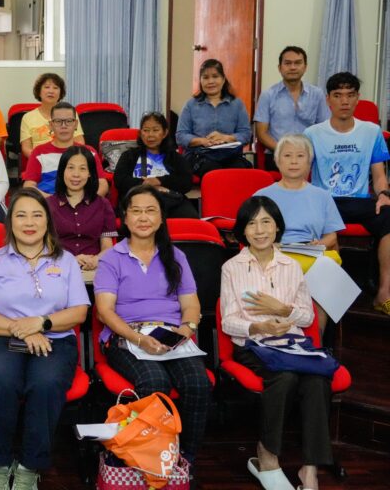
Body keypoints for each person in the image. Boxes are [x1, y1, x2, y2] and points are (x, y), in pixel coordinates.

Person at [0, 187, 89, 490]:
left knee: (45, 383)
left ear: (47, 221)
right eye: (21, 215)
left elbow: (79, 312)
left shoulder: (66, 261)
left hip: (55, 339)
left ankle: (29, 468)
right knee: (0, 379)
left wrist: (41, 323)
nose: (29, 222)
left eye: (37, 215)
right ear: (10, 222)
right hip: (4, 337)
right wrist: (22, 329)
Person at [94, 185, 211, 468]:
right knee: (155, 382)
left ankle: (184, 460)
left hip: (171, 335)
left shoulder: (176, 256)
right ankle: (149, 459)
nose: (143, 218)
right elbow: (105, 311)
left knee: (197, 382)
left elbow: (191, 304)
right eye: (136, 211)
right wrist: (138, 338)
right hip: (126, 336)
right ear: (125, 217)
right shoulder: (111, 258)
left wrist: (186, 329)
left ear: (161, 218)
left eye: (150, 211)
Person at [220, 196, 331, 490]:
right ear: (243, 231)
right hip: (254, 344)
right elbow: (228, 321)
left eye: (266, 222)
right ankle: (267, 455)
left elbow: (307, 317)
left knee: (317, 380)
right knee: (285, 377)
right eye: (252, 223)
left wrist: (282, 310)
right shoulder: (231, 267)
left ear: (277, 227)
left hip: (291, 344)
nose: (259, 230)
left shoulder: (291, 266)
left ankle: (310, 470)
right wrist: (260, 326)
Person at [304, 72, 390, 315]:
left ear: (357, 98)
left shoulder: (371, 131)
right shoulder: (312, 133)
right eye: (338, 95)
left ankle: (384, 293)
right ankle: (330, 300)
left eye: (350, 95)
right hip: (325, 201)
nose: (344, 101)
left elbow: (378, 174)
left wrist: (384, 194)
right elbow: (301, 173)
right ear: (328, 99)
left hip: (359, 201)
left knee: (389, 217)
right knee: (321, 225)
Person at [254, 134, 344, 333]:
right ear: (277, 161)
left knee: (326, 270)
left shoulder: (323, 196)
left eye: (300, 156)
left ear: (309, 162)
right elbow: (251, 231)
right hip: (274, 252)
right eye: (287, 155)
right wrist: (269, 244)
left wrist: (319, 243)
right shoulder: (262, 196)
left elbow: (332, 236)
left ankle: (316, 339)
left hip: (310, 252)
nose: (294, 161)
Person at [254, 46, 330, 169]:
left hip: (309, 156)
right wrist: (283, 151)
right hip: (277, 155)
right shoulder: (268, 95)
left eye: (298, 63)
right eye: (288, 63)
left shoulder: (317, 94)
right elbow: (261, 133)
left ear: (305, 67)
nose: (293, 67)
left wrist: (307, 152)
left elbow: (324, 128)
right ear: (280, 68)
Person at [176, 59, 252, 177]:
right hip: (200, 156)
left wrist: (226, 138)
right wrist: (203, 141)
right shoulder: (191, 105)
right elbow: (181, 136)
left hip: (231, 155)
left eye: (215, 76)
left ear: (223, 79)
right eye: (205, 77)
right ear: (200, 81)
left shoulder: (237, 104)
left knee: (238, 172)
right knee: (213, 172)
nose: (210, 81)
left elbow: (246, 134)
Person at [114, 112, 198, 218]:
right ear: (140, 133)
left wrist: (159, 181)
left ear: (165, 133)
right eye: (146, 130)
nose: (150, 135)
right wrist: (144, 183)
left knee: (190, 218)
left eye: (155, 130)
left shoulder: (175, 157)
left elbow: (186, 182)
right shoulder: (129, 156)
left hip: (170, 201)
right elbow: (120, 180)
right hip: (137, 200)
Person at [47, 146, 116, 270]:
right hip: (57, 268)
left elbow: (107, 246)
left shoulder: (103, 204)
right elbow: (44, 247)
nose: (76, 174)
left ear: (90, 173)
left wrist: (96, 260)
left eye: (82, 168)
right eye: (71, 168)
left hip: (94, 267)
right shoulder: (47, 205)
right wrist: (70, 260)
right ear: (62, 171)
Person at [23, 102, 109, 197]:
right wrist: (54, 202)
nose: (63, 126)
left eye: (69, 121)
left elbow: (103, 184)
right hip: (48, 202)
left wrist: (87, 201)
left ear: (76, 124)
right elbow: (29, 186)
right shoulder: (39, 152)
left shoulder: (89, 152)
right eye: (58, 121)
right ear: (51, 125)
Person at [19, 73, 84, 158]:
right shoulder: (28, 117)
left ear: (60, 93)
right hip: (40, 159)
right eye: (47, 87)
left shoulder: (70, 113)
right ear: (39, 92)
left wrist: (67, 160)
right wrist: (43, 160)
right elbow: (26, 148)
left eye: (55, 88)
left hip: (67, 160)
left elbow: (80, 142)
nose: (51, 91)